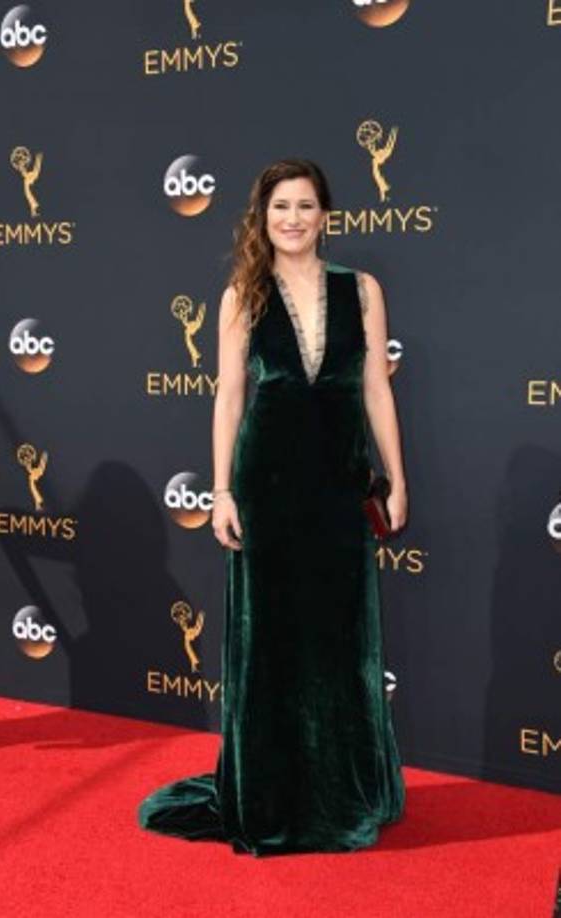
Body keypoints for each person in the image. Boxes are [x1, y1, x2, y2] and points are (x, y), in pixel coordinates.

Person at [138, 158, 408, 857]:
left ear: (326, 215)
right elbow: (229, 396)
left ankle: (344, 790)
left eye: (306, 206)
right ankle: (272, 793)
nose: (293, 218)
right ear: (263, 217)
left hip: (339, 483)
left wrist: (395, 479)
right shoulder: (242, 295)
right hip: (268, 483)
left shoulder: (364, 291)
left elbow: (377, 388)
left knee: (342, 642)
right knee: (274, 642)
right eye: (280, 206)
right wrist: (223, 490)